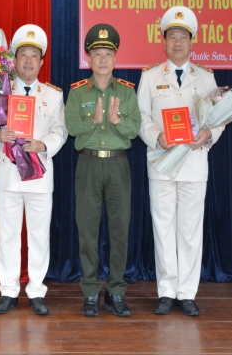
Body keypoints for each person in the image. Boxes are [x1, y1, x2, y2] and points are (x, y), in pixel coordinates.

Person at [136, 6, 224, 317]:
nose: (177, 42)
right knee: (162, 229)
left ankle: (187, 293)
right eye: (172, 37)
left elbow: (218, 118)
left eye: (182, 37)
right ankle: (166, 291)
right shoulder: (149, 76)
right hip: (161, 162)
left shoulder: (206, 77)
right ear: (164, 42)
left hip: (194, 163)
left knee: (189, 231)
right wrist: (157, 136)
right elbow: (141, 117)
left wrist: (209, 134)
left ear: (191, 42)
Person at [0, 24, 67, 316]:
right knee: (8, 236)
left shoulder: (53, 95)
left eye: (34, 56)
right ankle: (9, 291)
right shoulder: (0, 90)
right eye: (23, 55)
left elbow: (61, 131)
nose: (28, 61)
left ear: (41, 62)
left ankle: (37, 291)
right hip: (9, 175)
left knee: (39, 236)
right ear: (15, 60)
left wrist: (43, 145)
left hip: (40, 176)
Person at [64, 24, 141, 317]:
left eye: (108, 53)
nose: (103, 59)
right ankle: (91, 292)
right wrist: (94, 121)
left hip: (118, 165)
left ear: (115, 57)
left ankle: (116, 291)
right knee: (87, 231)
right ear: (89, 59)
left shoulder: (127, 92)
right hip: (89, 164)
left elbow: (134, 129)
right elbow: (72, 127)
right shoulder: (76, 92)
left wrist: (117, 120)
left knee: (120, 230)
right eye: (97, 54)